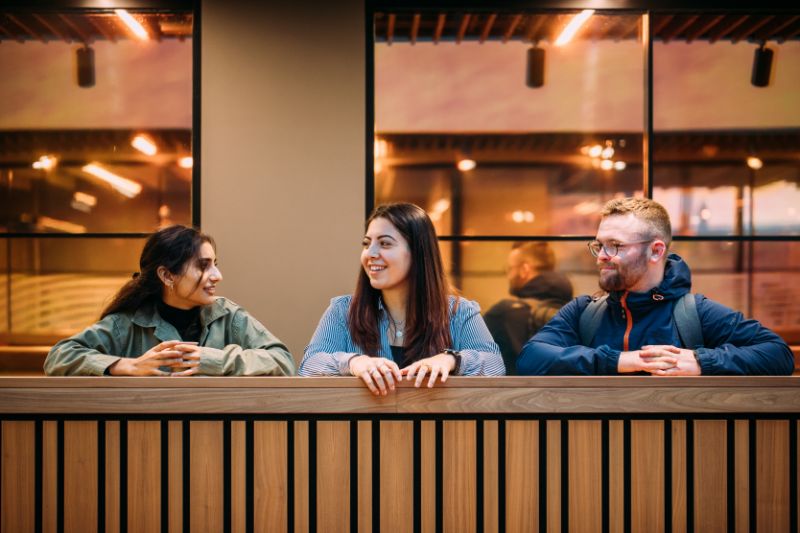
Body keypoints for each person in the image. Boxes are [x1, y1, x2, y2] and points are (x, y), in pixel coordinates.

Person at [517, 197, 794, 376]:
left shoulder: (694, 313)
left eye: (615, 246)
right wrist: (618, 361)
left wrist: (701, 362)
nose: (601, 255)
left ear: (655, 251)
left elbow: (777, 354)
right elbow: (530, 359)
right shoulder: (583, 312)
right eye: (599, 245)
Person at [299, 202, 505, 395]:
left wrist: (451, 360)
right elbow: (308, 367)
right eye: (366, 243)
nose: (370, 253)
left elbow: (495, 365)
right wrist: (353, 362)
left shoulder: (459, 312)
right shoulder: (343, 311)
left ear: (418, 253)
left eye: (385, 244)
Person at [44, 225, 295, 376]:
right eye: (203, 266)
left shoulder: (229, 316)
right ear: (166, 275)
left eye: (215, 265)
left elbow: (283, 361)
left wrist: (214, 361)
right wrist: (124, 366)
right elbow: (58, 357)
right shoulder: (127, 323)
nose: (217, 276)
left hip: (221, 440)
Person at [483, 241, 573, 374]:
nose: (509, 275)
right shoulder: (572, 309)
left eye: (509, 269)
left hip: (516, 393)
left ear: (524, 270)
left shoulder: (504, 313)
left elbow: (474, 352)